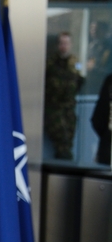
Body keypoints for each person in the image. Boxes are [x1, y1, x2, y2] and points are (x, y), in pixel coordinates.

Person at [45, 32, 84, 160]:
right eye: (61, 43)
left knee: (68, 140)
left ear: (70, 45)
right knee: (61, 141)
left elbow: (80, 80)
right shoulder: (50, 63)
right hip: (54, 108)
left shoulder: (75, 62)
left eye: (66, 43)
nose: (64, 46)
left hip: (69, 108)